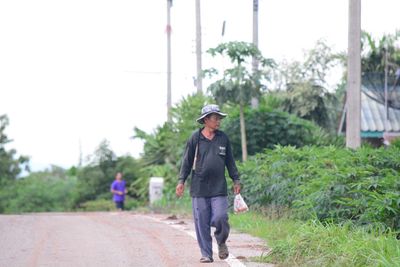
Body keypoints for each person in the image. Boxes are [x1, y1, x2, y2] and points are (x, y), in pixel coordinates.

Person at [176, 104, 241, 263]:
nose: (218, 121)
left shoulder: (223, 138)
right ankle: (206, 253)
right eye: (215, 118)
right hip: (199, 187)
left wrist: (236, 179)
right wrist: (181, 180)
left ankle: (221, 242)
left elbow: (230, 161)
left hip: (219, 187)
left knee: (220, 217)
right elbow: (187, 161)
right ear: (206, 120)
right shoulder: (195, 138)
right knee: (202, 222)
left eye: (219, 118)